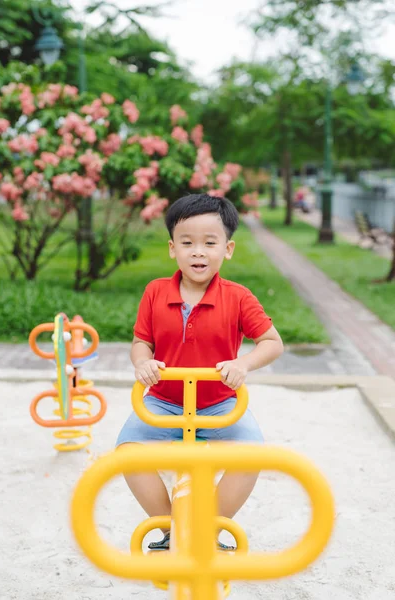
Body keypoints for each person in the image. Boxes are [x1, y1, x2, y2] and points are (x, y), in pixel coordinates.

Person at [116, 192, 284, 551]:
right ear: (172, 248)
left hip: (220, 404)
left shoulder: (238, 297)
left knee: (252, 453)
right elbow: (140, 342)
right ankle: (170, 530)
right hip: (164, 402)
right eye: (187, 242)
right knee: (127, 451)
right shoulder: (155, 292)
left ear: (228, 248)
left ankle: (206, 532)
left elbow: (272, 342)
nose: (198, 252)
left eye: (210, 242)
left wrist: (243, 364)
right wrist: (142, 362)